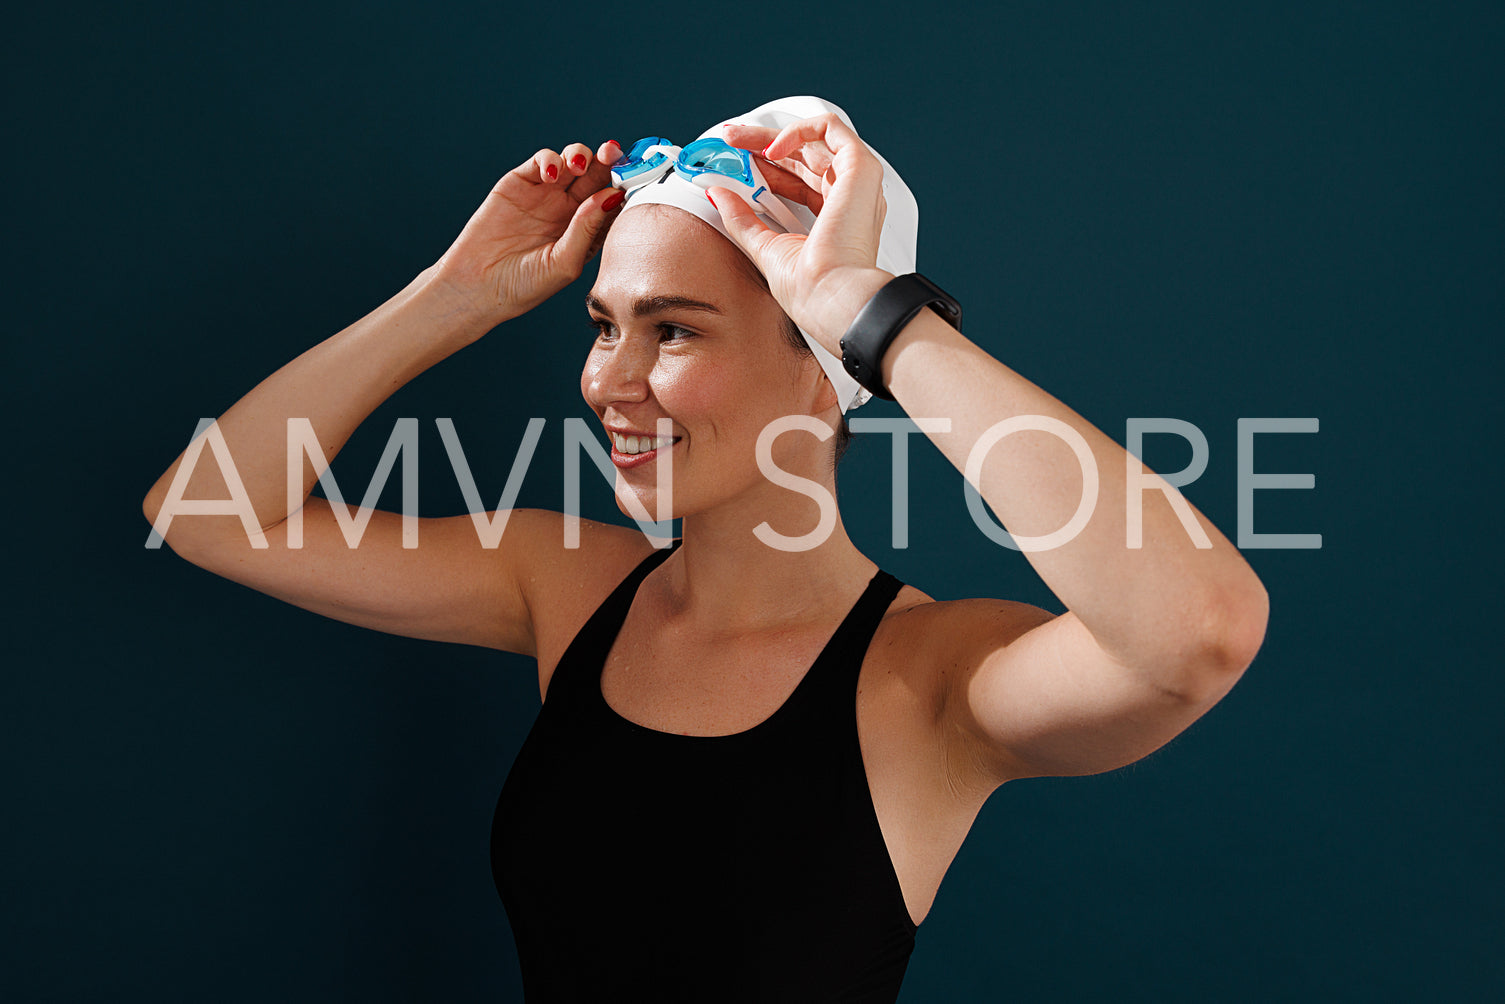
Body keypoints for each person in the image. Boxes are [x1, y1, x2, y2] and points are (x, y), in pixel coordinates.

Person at [142, 96, 1269, 1002]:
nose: (606, 381)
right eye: (601, 324)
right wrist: (453, 298)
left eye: (671, 329)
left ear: (821, 365)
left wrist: (870, 311)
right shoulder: (565, 586)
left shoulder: (925, 680)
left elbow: (1198, 631)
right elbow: (202, 509)